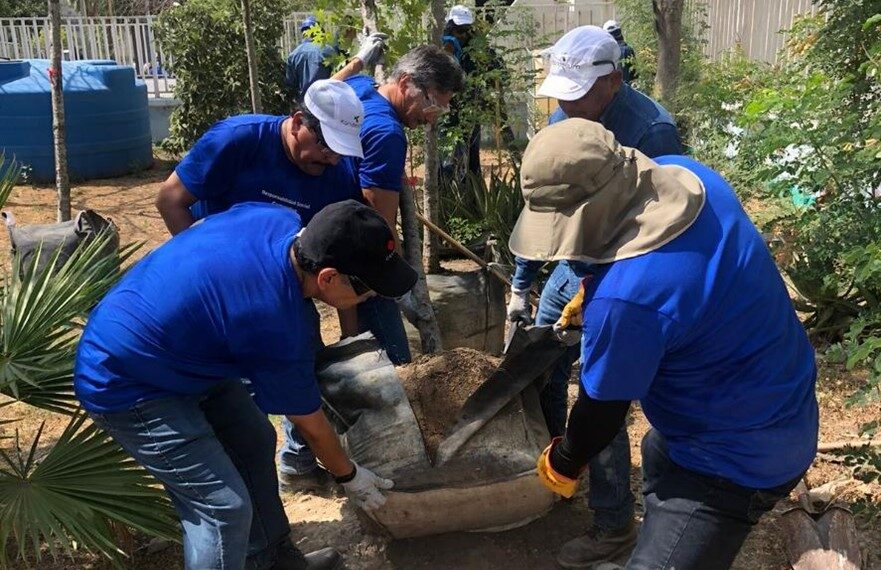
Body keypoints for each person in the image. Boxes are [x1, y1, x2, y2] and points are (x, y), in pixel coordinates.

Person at [511, 119, 818, 569]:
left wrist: (564, 460)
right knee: (656, 451)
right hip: (776, 397)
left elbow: (601, 412)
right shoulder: (688, 175)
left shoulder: (628, 300)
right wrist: (594, 288)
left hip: (738, 457)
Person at [75, 199, 417, 570]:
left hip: (188, 353)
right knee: (222, 507)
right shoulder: (275, 321)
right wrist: (350, 476)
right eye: (367, 291)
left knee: (255, 439)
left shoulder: (276, 219)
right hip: (126, 379)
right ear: (328, 278)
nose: (370, 297)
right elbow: (311, 425)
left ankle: (270, 560)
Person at [153, 79, 403, 493]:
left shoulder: (335, 174)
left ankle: (298, 462)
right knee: (236, 390)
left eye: (339, 152)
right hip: (218, 292)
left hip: (287, 286)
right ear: (299, 122)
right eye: (324, 149)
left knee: (304, 367)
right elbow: (169, 199)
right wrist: (207, 271)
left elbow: (341, 260)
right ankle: (235, 477)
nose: (329, 160)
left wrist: (350, 336)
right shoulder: (238, 140)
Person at [505, 25, 683, 563]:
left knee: (600, 390)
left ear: (613, 80)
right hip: (569, 263)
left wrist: (600, 292)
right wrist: (520, 285)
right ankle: (560, 467)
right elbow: (545, 202)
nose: (564, 101)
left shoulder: (652, 131)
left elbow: (661, 229)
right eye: (559, 90)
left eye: (576, 90)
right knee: (542, 369)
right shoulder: (565, 115)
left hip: (620, 274)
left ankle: (612, 524)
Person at [285, 15, 379, 99]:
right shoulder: (328, 50)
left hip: (304, 103)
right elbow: (342, 75)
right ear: (320, 31)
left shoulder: (293, 55)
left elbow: (290, 85)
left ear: (303, 32)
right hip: (327, 100)